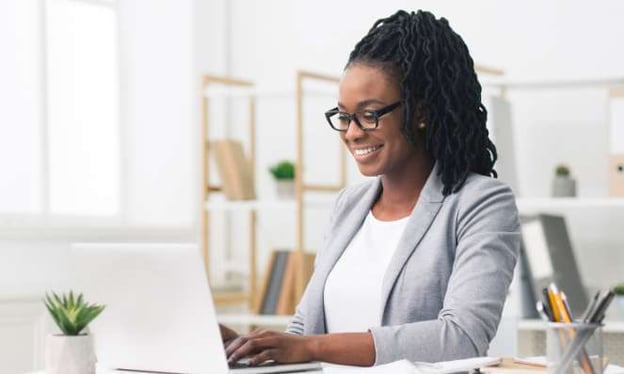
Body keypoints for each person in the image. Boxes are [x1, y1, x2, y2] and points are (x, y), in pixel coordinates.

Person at [220, 9, 520, 366]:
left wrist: (313, 347)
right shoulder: (349, 205)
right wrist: (247, 347)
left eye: (370, 114)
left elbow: (462, 337)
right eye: (344, 116)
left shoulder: (480, 203)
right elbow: (304, 331)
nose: (352, 132)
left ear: (421, 112)